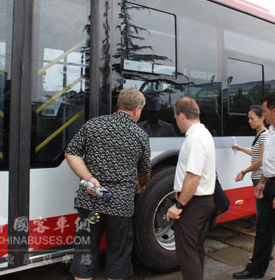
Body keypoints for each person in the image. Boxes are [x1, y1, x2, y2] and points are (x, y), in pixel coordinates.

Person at [64, 88, 151, 280]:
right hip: (119, 206)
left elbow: (71, 152)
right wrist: (142, 185)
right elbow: (144, 171)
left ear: (119, 105)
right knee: (118, 255)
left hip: (90, 201)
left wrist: (89, 177)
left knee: (85, 254)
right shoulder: (140, 135)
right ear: (137, 110)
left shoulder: (93, 125)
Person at [233, 94, 275, 280]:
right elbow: (269, 161)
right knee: (263, 229)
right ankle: (256, 269)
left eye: (264, 112)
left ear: (273, 110)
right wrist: (262, 181)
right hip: (269, 183)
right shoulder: (271, 130)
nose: (263, 115)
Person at [166, 96, 216, 280]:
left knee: (187, 254)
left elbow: (193, 177)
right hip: (203, 202)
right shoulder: (204, 134)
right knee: (195, 250)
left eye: (175, 117)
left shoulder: (195, 139)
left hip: (194, 203)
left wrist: (178, 206)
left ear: (181, 116)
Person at [232, 105, 269, 215]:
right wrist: (240, 149)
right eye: (249, 119)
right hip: (256, 177)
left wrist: (244, 171)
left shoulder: (264, 135)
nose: (249, 121)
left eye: (252, 118)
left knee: (262, 212)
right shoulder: (258, 134)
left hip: (260, 178)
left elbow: (261, 160)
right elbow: (256, 154)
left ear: (262, 118)